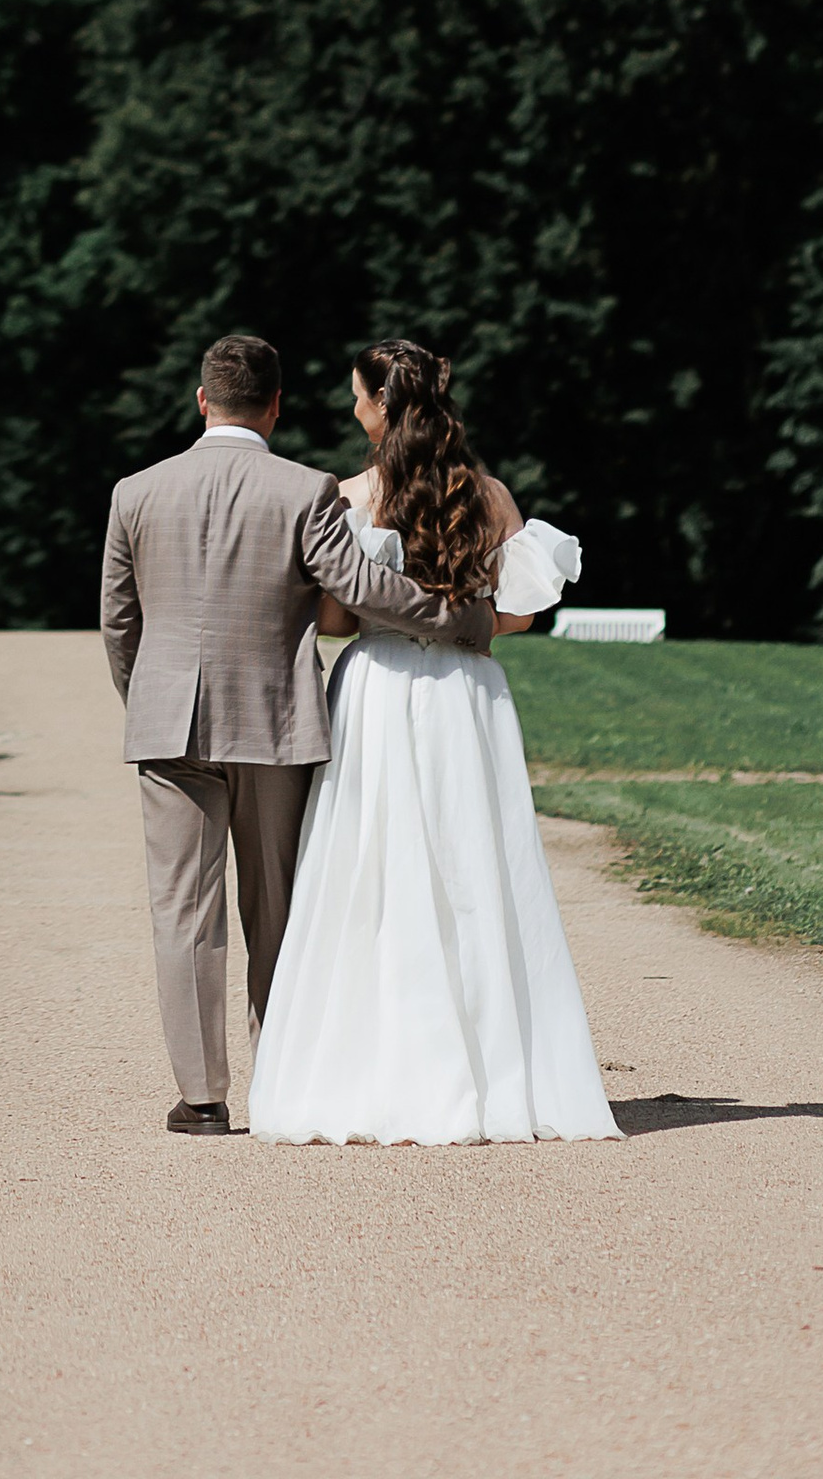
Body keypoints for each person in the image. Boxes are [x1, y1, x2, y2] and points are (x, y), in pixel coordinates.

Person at [99, 330, 477, 1136]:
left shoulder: (135, 491)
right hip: (273, 723)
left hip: (168, 728)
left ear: (202, 400)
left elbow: (118, 623)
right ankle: (279, 1079)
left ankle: (201, 1098)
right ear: (275, 406)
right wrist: (457, 616)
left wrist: (151, 701)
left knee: (181, 911)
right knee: (277, 908)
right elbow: (362, 589)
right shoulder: (305, 490)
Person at [245, 337, 618, 1145]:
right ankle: (494, 1074)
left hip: (379, 687)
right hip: (470, 694)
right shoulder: (487, 495)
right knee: (474, 867)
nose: (351, 408)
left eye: (356, 396)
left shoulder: (350, 496)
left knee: (372, 870)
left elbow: (339, 618)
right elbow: (517, 615)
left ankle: (376, 1069)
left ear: (381, 406)